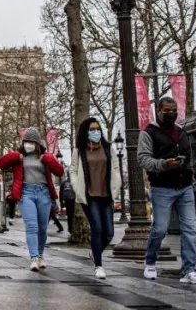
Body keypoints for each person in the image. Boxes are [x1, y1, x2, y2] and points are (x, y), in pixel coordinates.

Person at [139, 96, 196, 284]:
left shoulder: (182, 132)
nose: (171, 113)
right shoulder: (148, 133)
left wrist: (189, 175)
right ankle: (150, 262)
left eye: (174, 110)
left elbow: (189, 157)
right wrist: (164, 164)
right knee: (160, 229)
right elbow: (143, 159)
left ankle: (189, 270)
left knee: (190, 229)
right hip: (162, 188)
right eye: (167, 110)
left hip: (185, 187)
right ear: (158, 111)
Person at [0, 127, 64, 272]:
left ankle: (40, 255)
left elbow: (60, 171)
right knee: (32, 226)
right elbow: (0, 164)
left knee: (42, 228)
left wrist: (48, 159)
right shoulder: (19, 157)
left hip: (43, 193)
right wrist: (16, 157)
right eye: (26, 141)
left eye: (31, 142)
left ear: (37, 143)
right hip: (26, 193)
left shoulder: (45, 157)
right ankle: (33, 257)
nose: (28, 144)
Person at [69, 118, 122, 279]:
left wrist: (117, 183)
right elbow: (73, 170)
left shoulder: (107, 148)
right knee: (97, 229)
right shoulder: (79, 150)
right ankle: (98, 265)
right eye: (92, 129)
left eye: (98, 129)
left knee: (109, 233)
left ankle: (94, 251)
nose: (96, 132)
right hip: (89, 196)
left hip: (106, 195)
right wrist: (77, 188)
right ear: (86, 132)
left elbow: (115, 167)